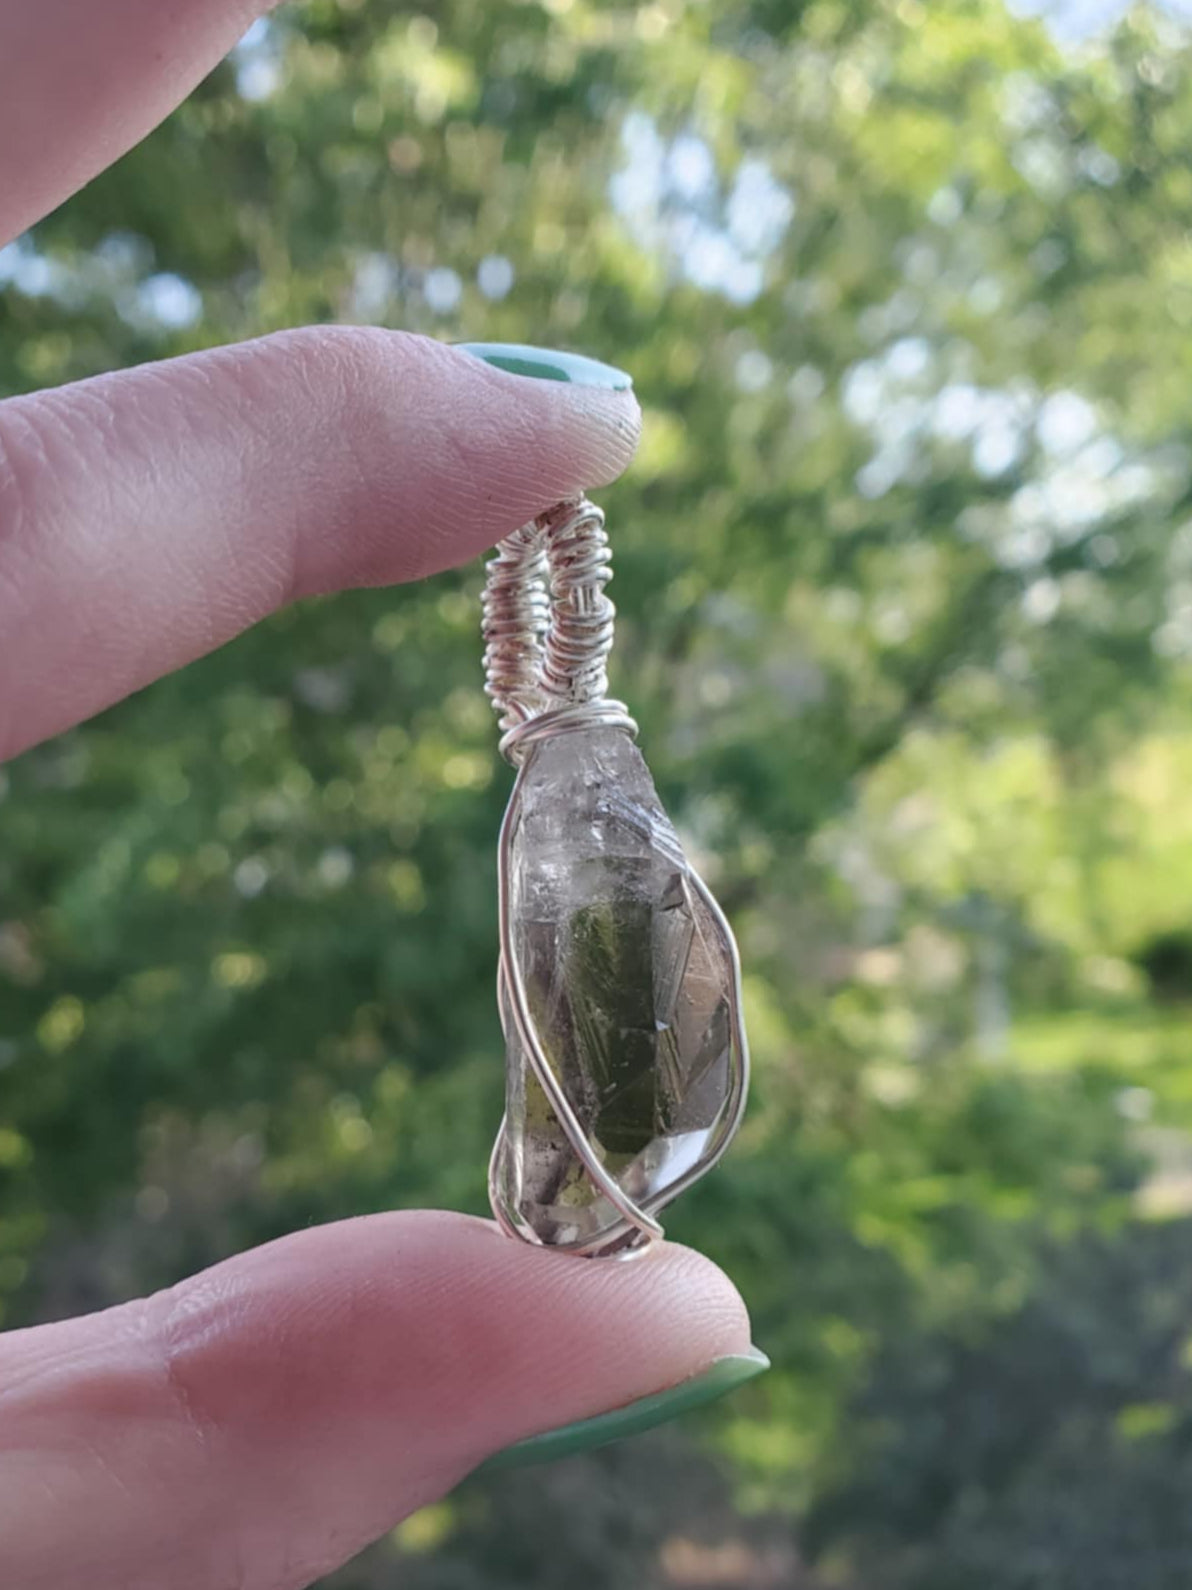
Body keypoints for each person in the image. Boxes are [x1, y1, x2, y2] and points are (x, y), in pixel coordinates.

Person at [0, 3, 762, 1585]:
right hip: (577, 869)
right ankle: (581, 1192)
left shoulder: (581, 773)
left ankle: (581, 1191)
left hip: (581, 841)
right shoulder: (575, 774)